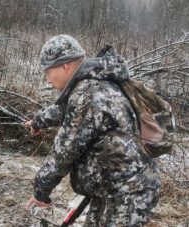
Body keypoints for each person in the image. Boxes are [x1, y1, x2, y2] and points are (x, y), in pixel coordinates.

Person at [25, 34, 160, 226]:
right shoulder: (93, 82)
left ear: (65, 66)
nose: (47, 80)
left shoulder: (88, 92)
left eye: (47, 72)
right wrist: (38, 122)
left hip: (128, 193)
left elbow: (63, 153)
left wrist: (40, 191)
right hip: (112, 189)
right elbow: (63, 110)